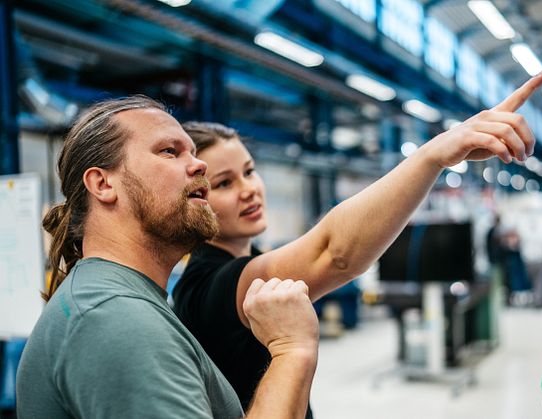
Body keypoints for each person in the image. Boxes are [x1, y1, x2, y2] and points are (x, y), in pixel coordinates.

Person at [172, 72, 542, 412]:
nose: (249, 190)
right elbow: (335, 252)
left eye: (250, 171)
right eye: (224, 183)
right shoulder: (209, 286)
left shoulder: (250, 259)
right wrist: (434, 155)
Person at [16, 96, 319, 419]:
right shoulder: (116, 321)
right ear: (103, 184)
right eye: (169, 151)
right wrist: (292, 350)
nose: (199, 164)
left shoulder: (119, 303)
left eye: (192, 151)